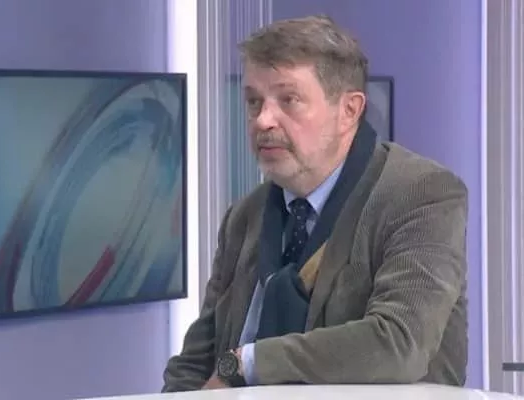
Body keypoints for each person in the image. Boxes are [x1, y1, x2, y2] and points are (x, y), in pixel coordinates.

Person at [162, 14, 468, 391]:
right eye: (254, 102)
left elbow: (400, 343)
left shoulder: (420, 195)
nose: (262, 120)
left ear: (349, 111)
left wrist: (248, 363)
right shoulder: (244, 217)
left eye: (288, 100)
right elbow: (195, 363)